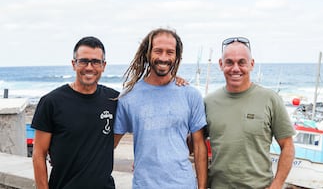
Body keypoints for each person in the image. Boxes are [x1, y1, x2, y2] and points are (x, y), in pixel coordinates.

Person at [113, 28, 208, 189]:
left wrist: (202, 187)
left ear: (177, 56)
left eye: (170, 52)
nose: (164, 57)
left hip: (184, 184)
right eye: (158, 51)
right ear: (148, 53)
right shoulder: (128, 97)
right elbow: (109, 145)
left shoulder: (190, 94)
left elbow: (199, 147)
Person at [204, 37, 295, 189]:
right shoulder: (208, 102)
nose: (235, 68)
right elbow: (195, 143)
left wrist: (277, 185)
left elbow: (288, 145)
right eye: (229, 62)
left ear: (251, 64)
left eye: (241, 62)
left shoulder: (270, 99)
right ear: (221, 64)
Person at [31, 36, 119, 189]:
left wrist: (174, 79)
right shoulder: (51, 102)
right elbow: (38, 154)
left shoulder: (114, 100)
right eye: (84, 61)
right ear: (74, 64)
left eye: (96, 62)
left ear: (103, 65)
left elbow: (143, 104)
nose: (90, 67)